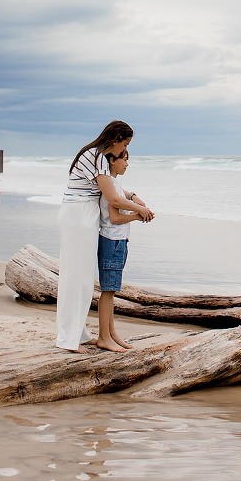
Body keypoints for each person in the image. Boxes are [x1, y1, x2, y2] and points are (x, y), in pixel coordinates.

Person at [55, 120, 153, 351]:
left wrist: (134, 195)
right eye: (125, 145)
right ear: (116, 140)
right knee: (76, 278)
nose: (124, 151)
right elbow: (114, 199)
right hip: (79, 216)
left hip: (80, 215)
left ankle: (76, 333)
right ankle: (70, 336)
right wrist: (141, 211)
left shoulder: (95, 155)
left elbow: (113, 187)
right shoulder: (98, 156)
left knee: (79, 276)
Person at [97, 148, 147, 351]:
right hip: (112, 241)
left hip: (118, 241)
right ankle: (104, 337)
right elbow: (115, 218)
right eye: (123, 159)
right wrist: (138, 215)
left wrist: (135, 199)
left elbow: (123, 196)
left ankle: (111, 333)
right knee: (108, 290)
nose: (127, 164)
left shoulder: (115, 184)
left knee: (112, 290)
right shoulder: (111, 184)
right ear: (112, 161)